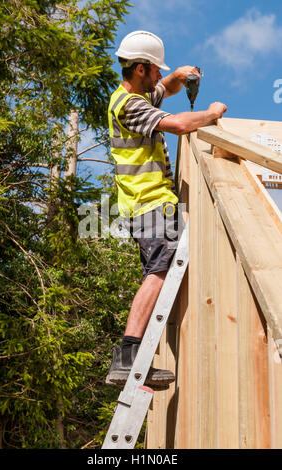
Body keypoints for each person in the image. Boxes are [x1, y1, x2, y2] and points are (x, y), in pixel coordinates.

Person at [106, 31, 227, 387]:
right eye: (156, 70)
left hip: (148, 204)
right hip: (148, 203)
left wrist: (179, 75)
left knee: (159, 271)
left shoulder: (138, 92)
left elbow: (168, 89)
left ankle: (134, 358)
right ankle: (127, 357)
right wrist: (212, 113)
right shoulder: (130, 106)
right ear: (141, 68)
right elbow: (175, 124)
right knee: (160, 270)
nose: (160, 77)